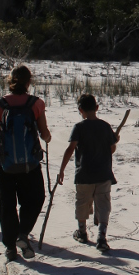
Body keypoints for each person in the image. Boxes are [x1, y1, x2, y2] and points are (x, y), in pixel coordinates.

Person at [0, 66, 52, 262]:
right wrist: (47, 138)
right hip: (30, 164)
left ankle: (10, 247)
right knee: (35, 199)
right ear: (29, 82)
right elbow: (44, 133)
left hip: (3, 163)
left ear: (10, 81)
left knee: (6, 205)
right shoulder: (36, 104)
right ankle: (23, 233)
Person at [57, 94, 118, 253]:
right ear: (96, 108)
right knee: (103, 203)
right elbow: (111, 149)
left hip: (84, 173)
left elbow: (71, 148)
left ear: (80, 110)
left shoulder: (79, 127)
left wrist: (62, 169)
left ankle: (82, 232)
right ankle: (102, 236)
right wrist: (114, 141)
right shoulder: (105, 126)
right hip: (103, 173)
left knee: (82, 202)